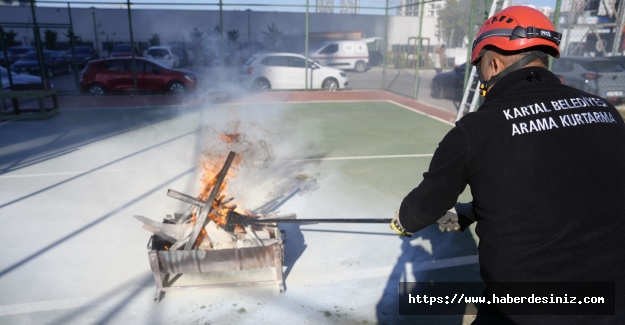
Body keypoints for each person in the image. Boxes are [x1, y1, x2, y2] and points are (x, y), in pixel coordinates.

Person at [390, 6, 625, 324]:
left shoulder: (476, 129)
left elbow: (427, 204)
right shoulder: (605, 112)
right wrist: (470, 212)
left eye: (481, 68)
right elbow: (559, 180)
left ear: (494, 62)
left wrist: (404, 221)